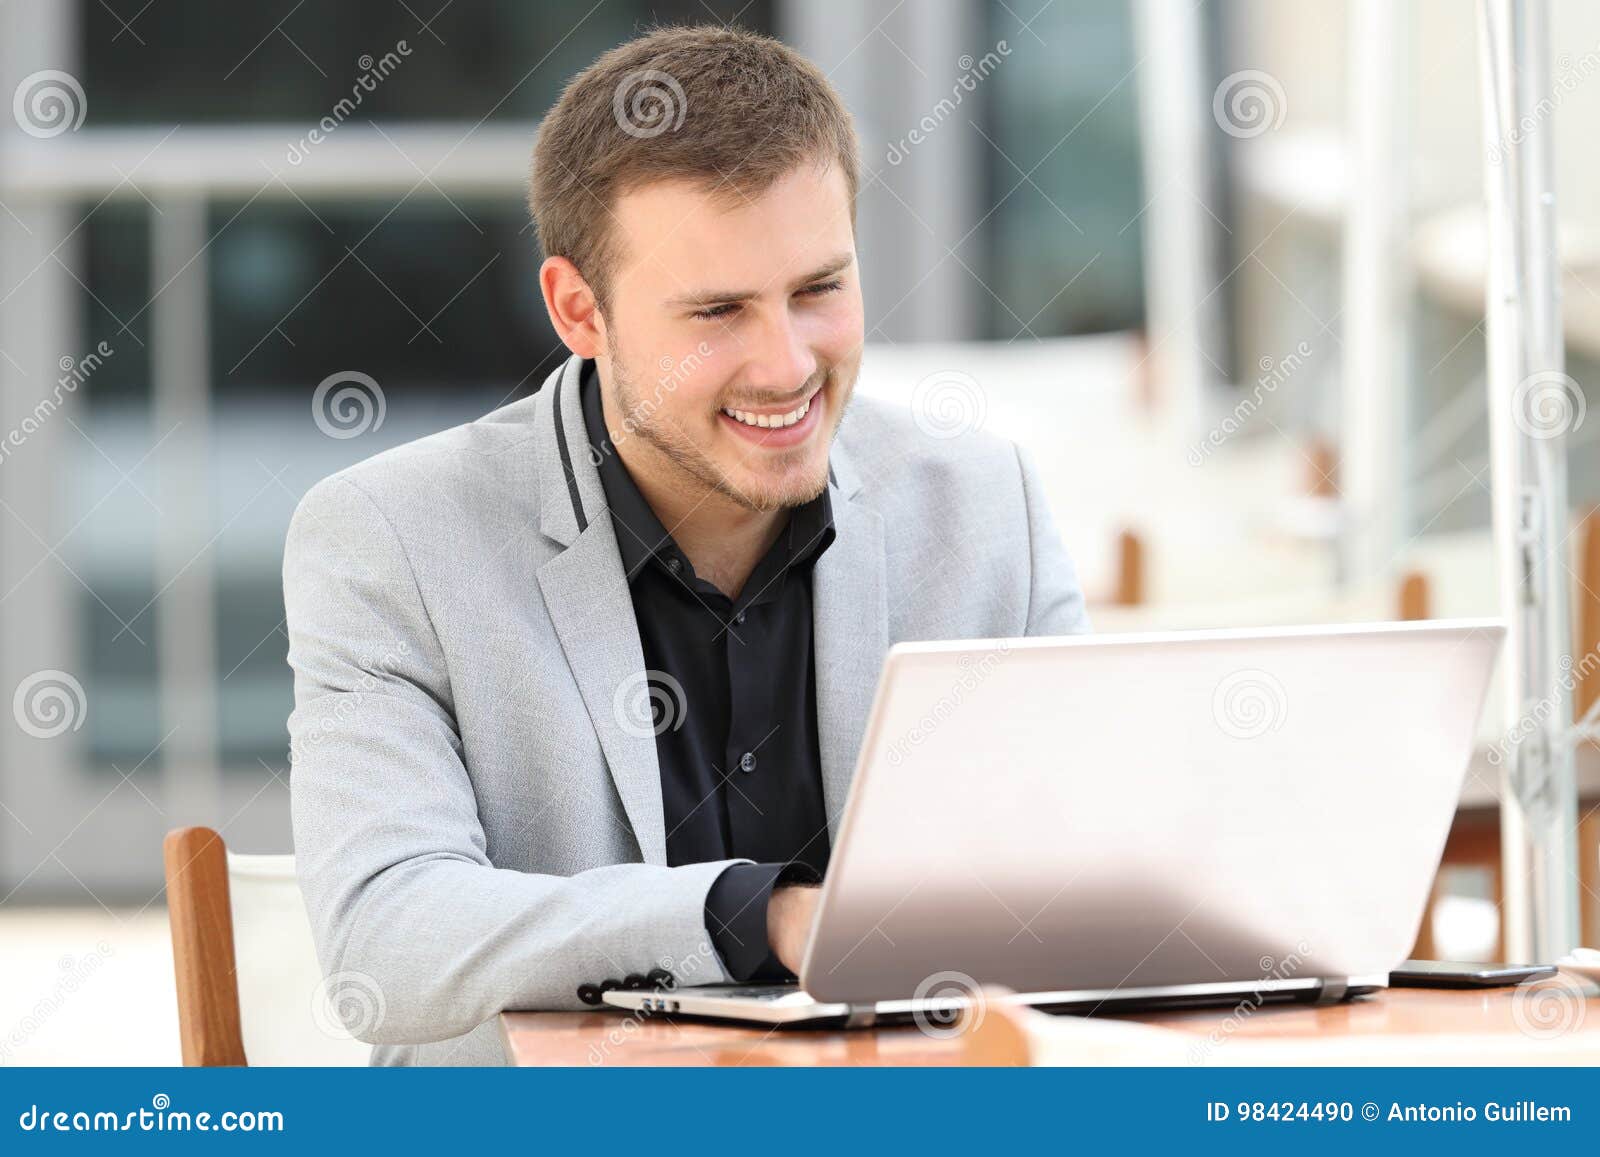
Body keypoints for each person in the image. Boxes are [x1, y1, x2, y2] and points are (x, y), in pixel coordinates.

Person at [284, 24, 1088, 1066]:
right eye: (717, 312)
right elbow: (388, 939)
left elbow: (1082, 859)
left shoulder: (984, 505)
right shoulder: (390, 538)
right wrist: (755, 916)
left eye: (818, 290)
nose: (786, 365)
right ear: (581, 311)